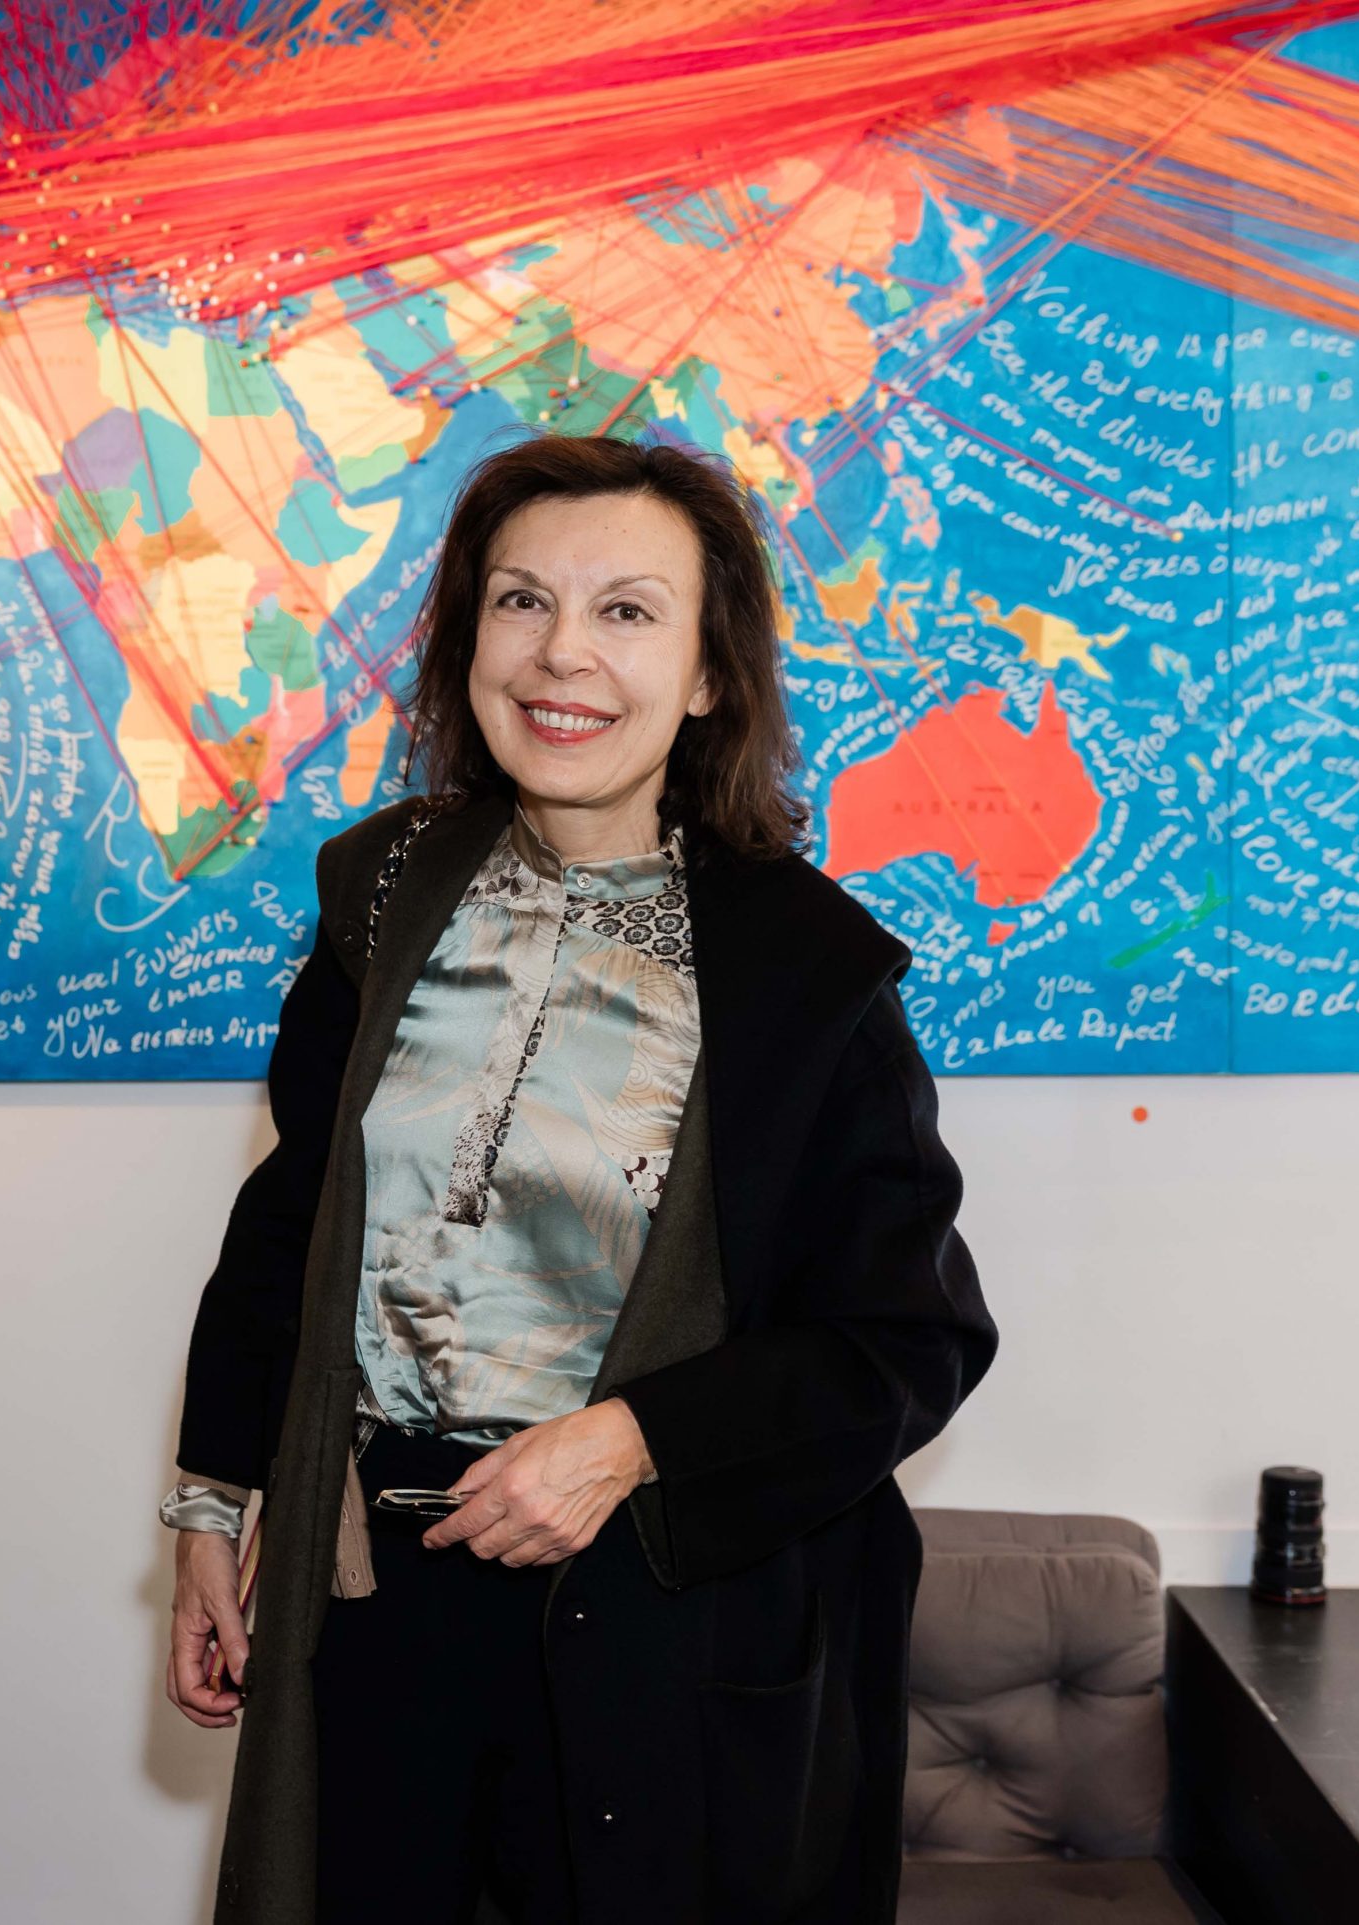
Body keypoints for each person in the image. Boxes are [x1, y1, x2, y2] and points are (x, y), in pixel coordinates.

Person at [158, 430, 996, 1925]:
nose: (563, 654)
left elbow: (909, 1342)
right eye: (522, 600)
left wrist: (629, 1441)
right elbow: (292, 1221)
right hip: (376, 1600)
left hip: (656, 1625)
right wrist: (211, 1512)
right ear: (470, 642)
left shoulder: (807, 976)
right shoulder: (380, 896)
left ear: (710, 673)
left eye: (626, 611)